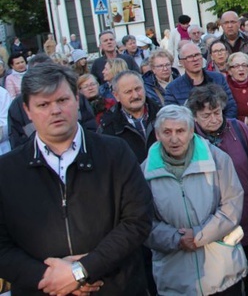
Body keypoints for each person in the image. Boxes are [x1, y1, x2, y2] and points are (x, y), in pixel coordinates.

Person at [0, 63, 153, 294]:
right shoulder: (7, 171)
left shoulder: (115, 153)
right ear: (27, 111)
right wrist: (50, 279)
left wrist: (83, 270)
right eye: (43, 104)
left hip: (115, 286)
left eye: (62, 100)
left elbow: (137, 220)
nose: (55, 110)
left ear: (77, 100)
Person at [143, 105, 247, 296]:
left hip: (221, 272)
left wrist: (199, 236)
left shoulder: (217, 159)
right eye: (167, 132)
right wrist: (177, 239)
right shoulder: (145, 172)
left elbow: (232, 204)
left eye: (180, 131)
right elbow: (143, 222)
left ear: (191, 131)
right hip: (176, 277)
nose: (174, 139)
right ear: (157, 135)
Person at [186, 86, 248, 296]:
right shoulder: (190, 142)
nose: (214, 119)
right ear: (195, 117)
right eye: (206, 116)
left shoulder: (238, 129)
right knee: (224, 281)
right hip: (213, 222)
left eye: (217, 113)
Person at [99, 70, 160, 163]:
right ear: (116, 96)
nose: (135, 95)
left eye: (138, 89)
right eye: (128, 92)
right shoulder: (107, 128)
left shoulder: (163, 116)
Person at [164, 43, 238, 118]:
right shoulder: (172, 88)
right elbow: (172, 117)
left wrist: (220, 125)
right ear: (181, 62)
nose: (195, 59)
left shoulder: (218, 78)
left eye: (197, 55)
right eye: (189, 57)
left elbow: (231, 106)